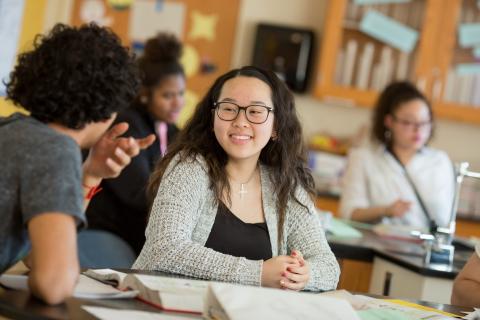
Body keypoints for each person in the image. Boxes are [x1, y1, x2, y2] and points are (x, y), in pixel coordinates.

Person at [133, 66, 340, 291]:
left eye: (256, 111)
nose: (240, 121)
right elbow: (163, 249)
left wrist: (303, 275)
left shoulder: (286, 184)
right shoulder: (189, 167)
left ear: (276, 126)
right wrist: (258, 273)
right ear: (213, 118)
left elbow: (328, 267)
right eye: (229, 108)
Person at [0, 23, 155, 305]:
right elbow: (54, 283)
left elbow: (36, 257)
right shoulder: (54, 150)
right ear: (108, 108)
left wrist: (90, 174)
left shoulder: (12, 131)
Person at [83, 33, 186, 258]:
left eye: (180, 93)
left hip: (138, 232)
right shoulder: (128, 124)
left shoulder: (171, 130)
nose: (178, 102)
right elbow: (139, 193)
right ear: (145, 95)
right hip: (107, 229)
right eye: (168, 95)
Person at [339, 81, 455, 231]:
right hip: (377, 247)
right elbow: (349, 213)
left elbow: (447, 220)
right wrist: (386, 211)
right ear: (389, 121)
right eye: (408, 122)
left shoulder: (440, 161)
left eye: (424, 122)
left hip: (427, 249)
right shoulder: (364, 158)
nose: (418, 130)